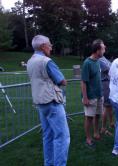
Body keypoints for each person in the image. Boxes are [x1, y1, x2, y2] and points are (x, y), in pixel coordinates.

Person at [27, 35, 70, 166]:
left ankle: (49, 163)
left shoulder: (30, 61)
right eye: (49, 45)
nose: (51, 48)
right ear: (43, 46)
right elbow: (62, 81)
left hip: (40, 103)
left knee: (48, 136)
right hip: (52, 102)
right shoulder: (46, 61)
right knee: (62, 137)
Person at [81, 39, 105, 147]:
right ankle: (88, 139)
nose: (104, 50)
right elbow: (83, 82)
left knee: (98, 115)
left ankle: (96, 133)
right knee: (89, 117)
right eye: (103, 48)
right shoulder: (87, 63)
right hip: (90, 96)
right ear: (97, 50)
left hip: (99, 95)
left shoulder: (98, 61)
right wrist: (85, 98)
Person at [99, 55, 114, 136]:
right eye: (103, 47)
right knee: (106, 106)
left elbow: (111, 67)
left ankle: (111, 123)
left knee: (109, 105)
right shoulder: (100, 60)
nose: (104, 48)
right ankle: (103, 128)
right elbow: (109, 69)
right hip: (104, 83)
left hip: (108, 83)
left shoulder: (104, 58)